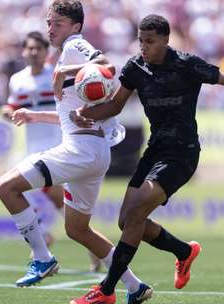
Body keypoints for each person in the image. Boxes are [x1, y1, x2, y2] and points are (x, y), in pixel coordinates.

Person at [0, 1, 152, 302]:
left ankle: (42, 257)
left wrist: (61, 72)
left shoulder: (74, 45)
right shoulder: (69, 52)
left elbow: (107, 66)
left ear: (75, 26)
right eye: (49, 23)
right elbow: (70, 116)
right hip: (93, 153)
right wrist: (33, 115)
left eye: (57, 22)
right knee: (78, 229)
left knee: (6, 187)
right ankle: (135, 286)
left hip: (80, 151)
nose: (50, 29)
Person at [69, 14, 224, 304]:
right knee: (126, 220)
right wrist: (84, 114)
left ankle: (106, 290)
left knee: (137, 212)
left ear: (166, 40)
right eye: (141, 41)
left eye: (150, 42)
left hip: (182, 153)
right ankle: (184, 252)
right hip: (154, 151)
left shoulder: (188, 64)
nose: (144, 47)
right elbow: (114, 105)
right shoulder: (135, 68)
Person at [2, 30, 101, 271]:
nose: (33, 52)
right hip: (34, 148)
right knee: (57, 204)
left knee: (19, 189)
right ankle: (86, 246)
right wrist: (8, 112)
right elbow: (13, 105)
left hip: (60, 147)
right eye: (29, 48)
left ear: (46, 52)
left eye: (38, 48)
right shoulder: (17, 79)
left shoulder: (54, 75)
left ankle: (47, 243)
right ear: (24, 51)